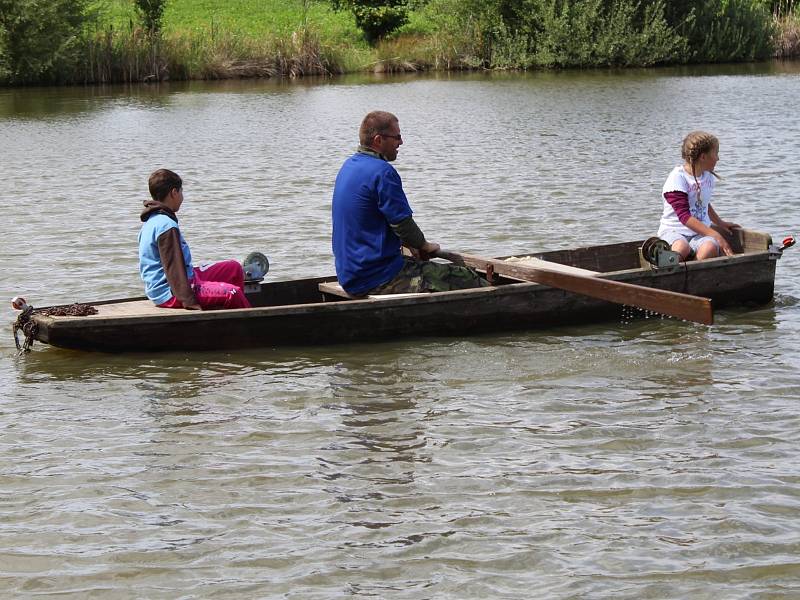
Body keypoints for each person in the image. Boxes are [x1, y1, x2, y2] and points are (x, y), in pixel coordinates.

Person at [331, 111, 489, 296]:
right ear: (378, 140)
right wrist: (424, 245)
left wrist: (408, 244)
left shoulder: (348, 166)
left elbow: (373, 221)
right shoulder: (382, 172)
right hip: (377, 277)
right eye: (397, 137)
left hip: (350, 275)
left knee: (424, 266)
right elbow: (402, 224)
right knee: (467, 278)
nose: (401, 142)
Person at [138, 169, 251, 310]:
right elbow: (173, 267)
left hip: (182, 279)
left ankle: (228, 312)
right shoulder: (166, 226)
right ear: (174, 193)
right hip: (171, 292)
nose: (182, 197)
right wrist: (189, 300)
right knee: (233, 293)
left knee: (233, 268)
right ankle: (248, 326)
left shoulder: (152, 221)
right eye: (181, 192)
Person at [657, 131, 740, 261]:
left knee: (710, 248)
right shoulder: (677, 178)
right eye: (716, 153)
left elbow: (704, 203)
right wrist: (717, 235)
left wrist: (720, 223)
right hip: (674, 231)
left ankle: (693, 273)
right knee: (681, 247)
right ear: (703, 157)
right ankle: (666, 270)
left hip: (699, 234)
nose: (718, 158)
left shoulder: (707, 176)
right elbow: (684, 217)